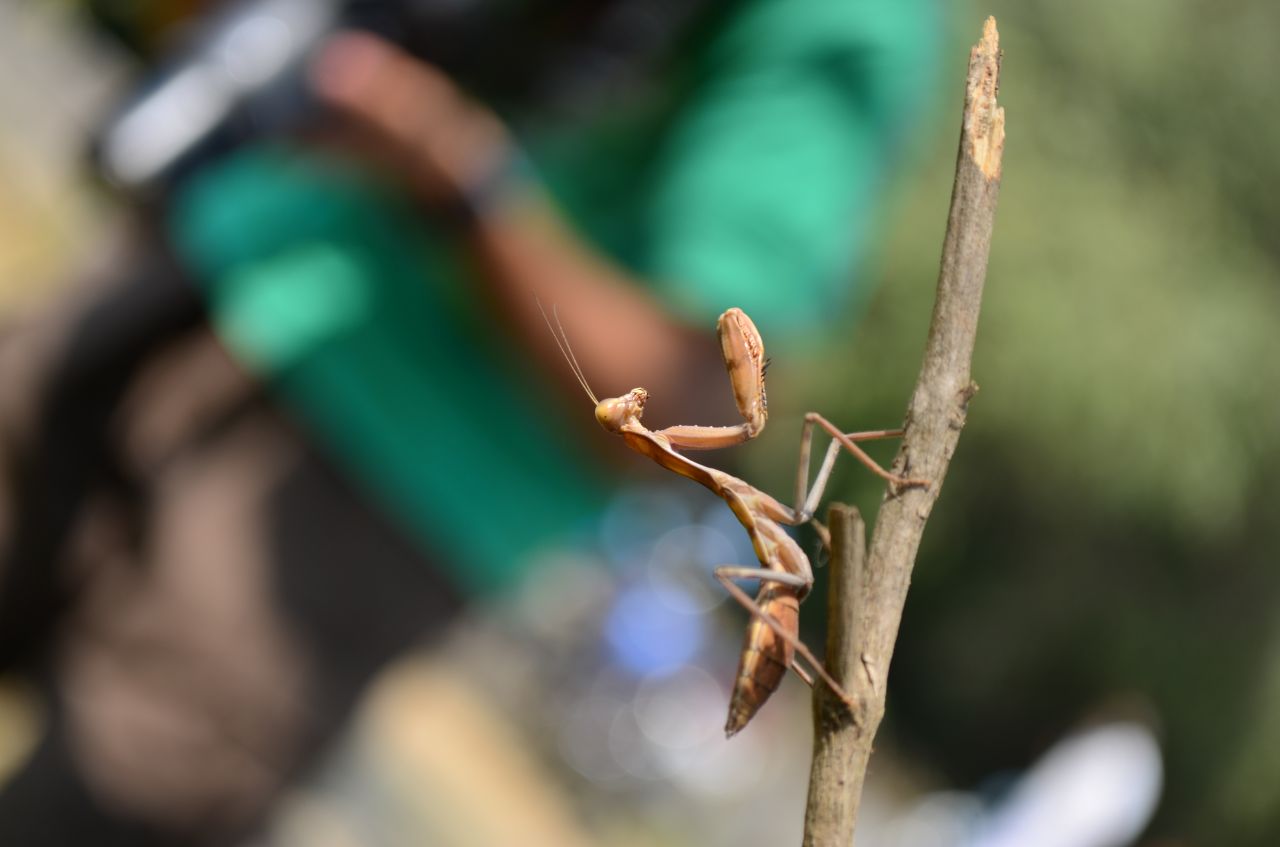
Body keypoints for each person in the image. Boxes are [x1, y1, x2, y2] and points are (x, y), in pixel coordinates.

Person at [0, 1, 941, 842]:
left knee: (100, 800)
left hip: (382, 486)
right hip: (218, 265)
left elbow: (691, 407)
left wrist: (453, 169)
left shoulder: (847, 23)